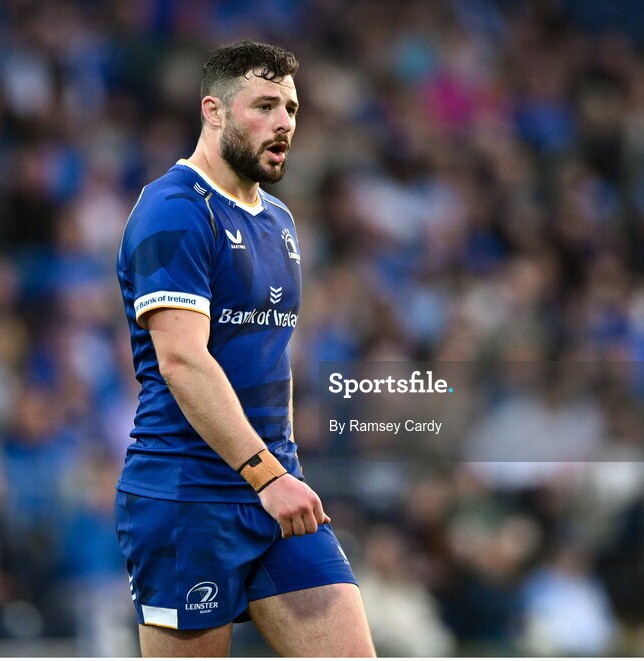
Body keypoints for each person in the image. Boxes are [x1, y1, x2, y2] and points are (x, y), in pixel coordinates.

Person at [114, 40, 375, 657]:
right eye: (264, 105)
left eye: (291, 107)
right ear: (214, 111)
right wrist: (266, 475)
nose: (284, 121)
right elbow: (182, 359)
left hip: (272, 491)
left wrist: (280, 471)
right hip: (188, 494)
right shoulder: (174, 208)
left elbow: (268, 360)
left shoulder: (278, 219)